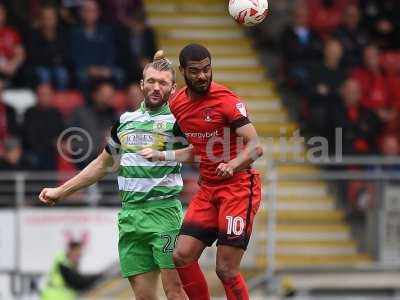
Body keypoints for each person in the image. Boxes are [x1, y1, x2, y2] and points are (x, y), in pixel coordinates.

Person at [39, 53, 188, 300]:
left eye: (163, 83)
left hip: (164, 214)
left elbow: (200, 153)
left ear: (173, 89)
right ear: (141, 84)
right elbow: (102, 164)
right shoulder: (125, 121)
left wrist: (166, 156)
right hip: (130, 216)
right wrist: (61, 191)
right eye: (151, 81)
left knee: (174, 292)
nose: (155, 87)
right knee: (144, 297)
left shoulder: (177, 122)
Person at [140, 44, 263, 300]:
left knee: (226, 269)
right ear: (184, 72)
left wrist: (232, 165)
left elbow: (255, 146)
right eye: (195, 71)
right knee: (181, 255)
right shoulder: (178, 105)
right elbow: (194, 150)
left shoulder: (227, 101)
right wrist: (162, 154)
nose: (203, 76)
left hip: (238, 188)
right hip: (208, 189)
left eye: (207, 70)